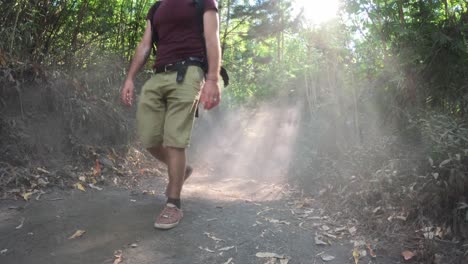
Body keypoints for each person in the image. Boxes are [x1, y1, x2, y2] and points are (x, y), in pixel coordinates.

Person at [120, 0, 221, 230]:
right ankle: (181, 169)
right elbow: (145, 45)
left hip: (190, 72)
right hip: (158, 76)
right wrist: (129, 78)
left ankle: (173, 204)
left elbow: (211, 37)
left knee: (175, 138)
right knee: (149, 137)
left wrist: (213, 79)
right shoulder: (157, 7)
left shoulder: (203, 1)